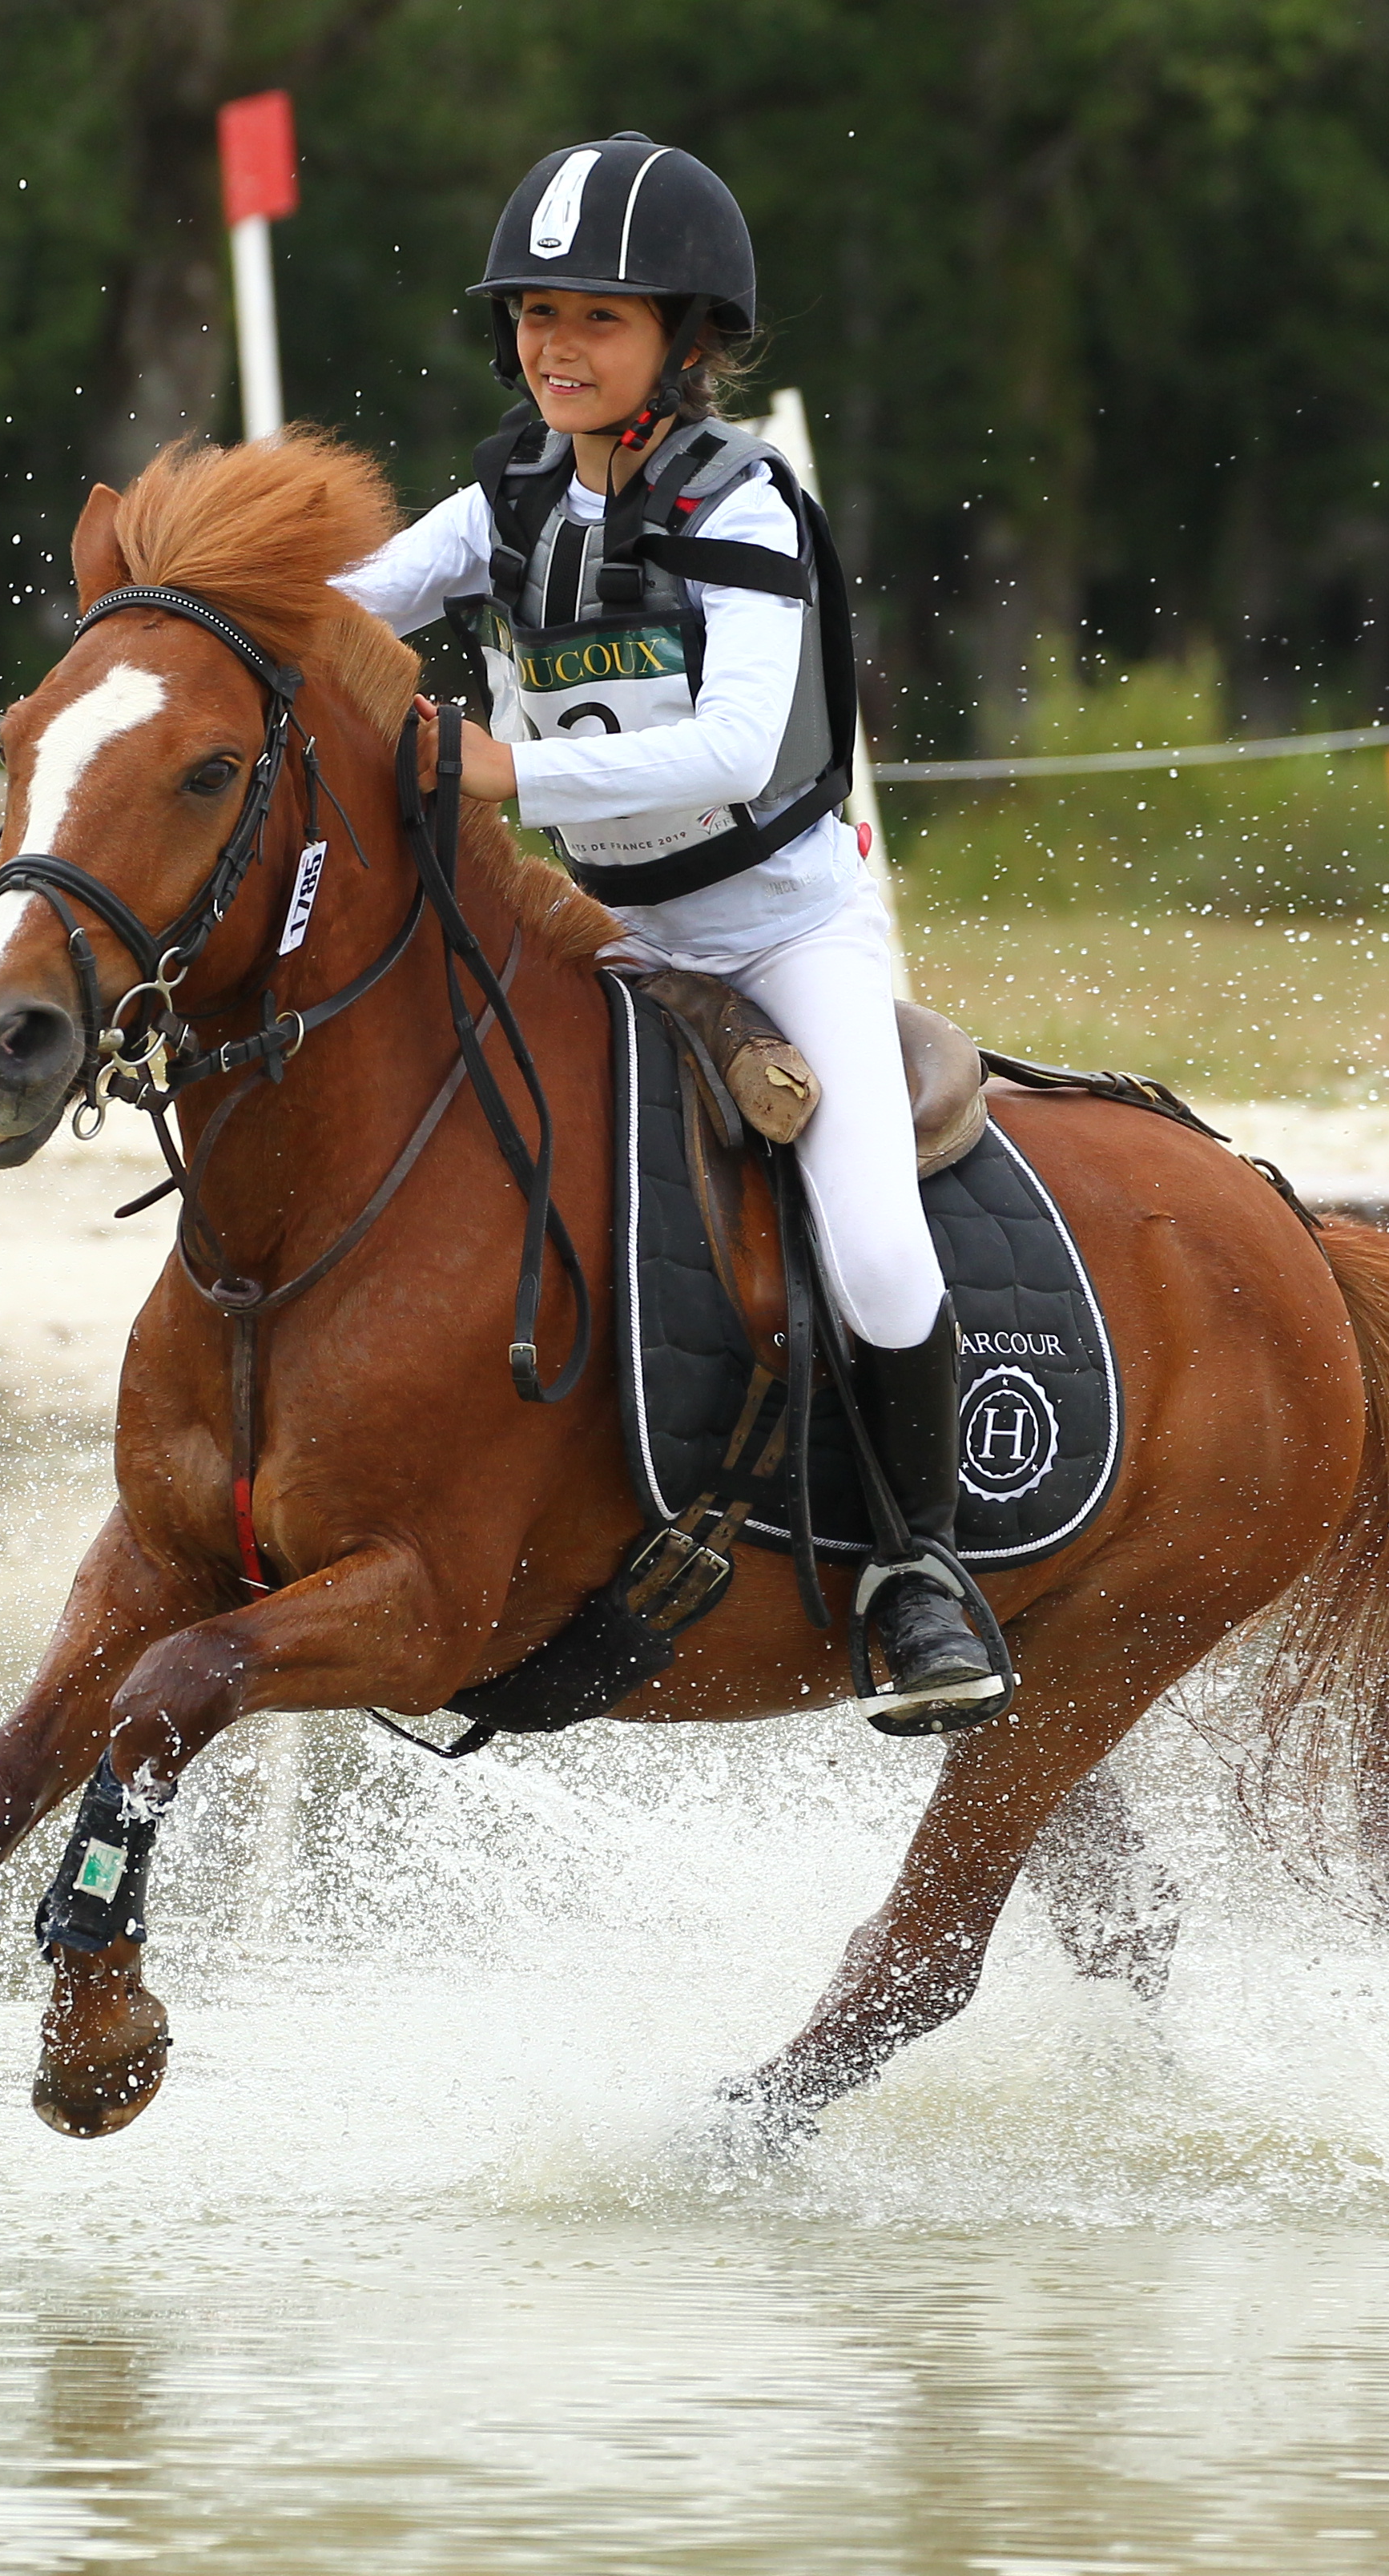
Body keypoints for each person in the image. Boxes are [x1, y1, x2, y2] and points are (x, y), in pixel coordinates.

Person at [332, 131, 1009, 1736]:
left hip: (781, 935)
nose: (554, 351)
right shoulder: (504, 493)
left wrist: (498, 762)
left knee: (866, 1231)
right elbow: (351, 604)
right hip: (587, 928)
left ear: (685, 344)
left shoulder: (748, 503)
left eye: (599, 321)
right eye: (534, 317)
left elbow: (726, 745)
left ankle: (922, 1570)